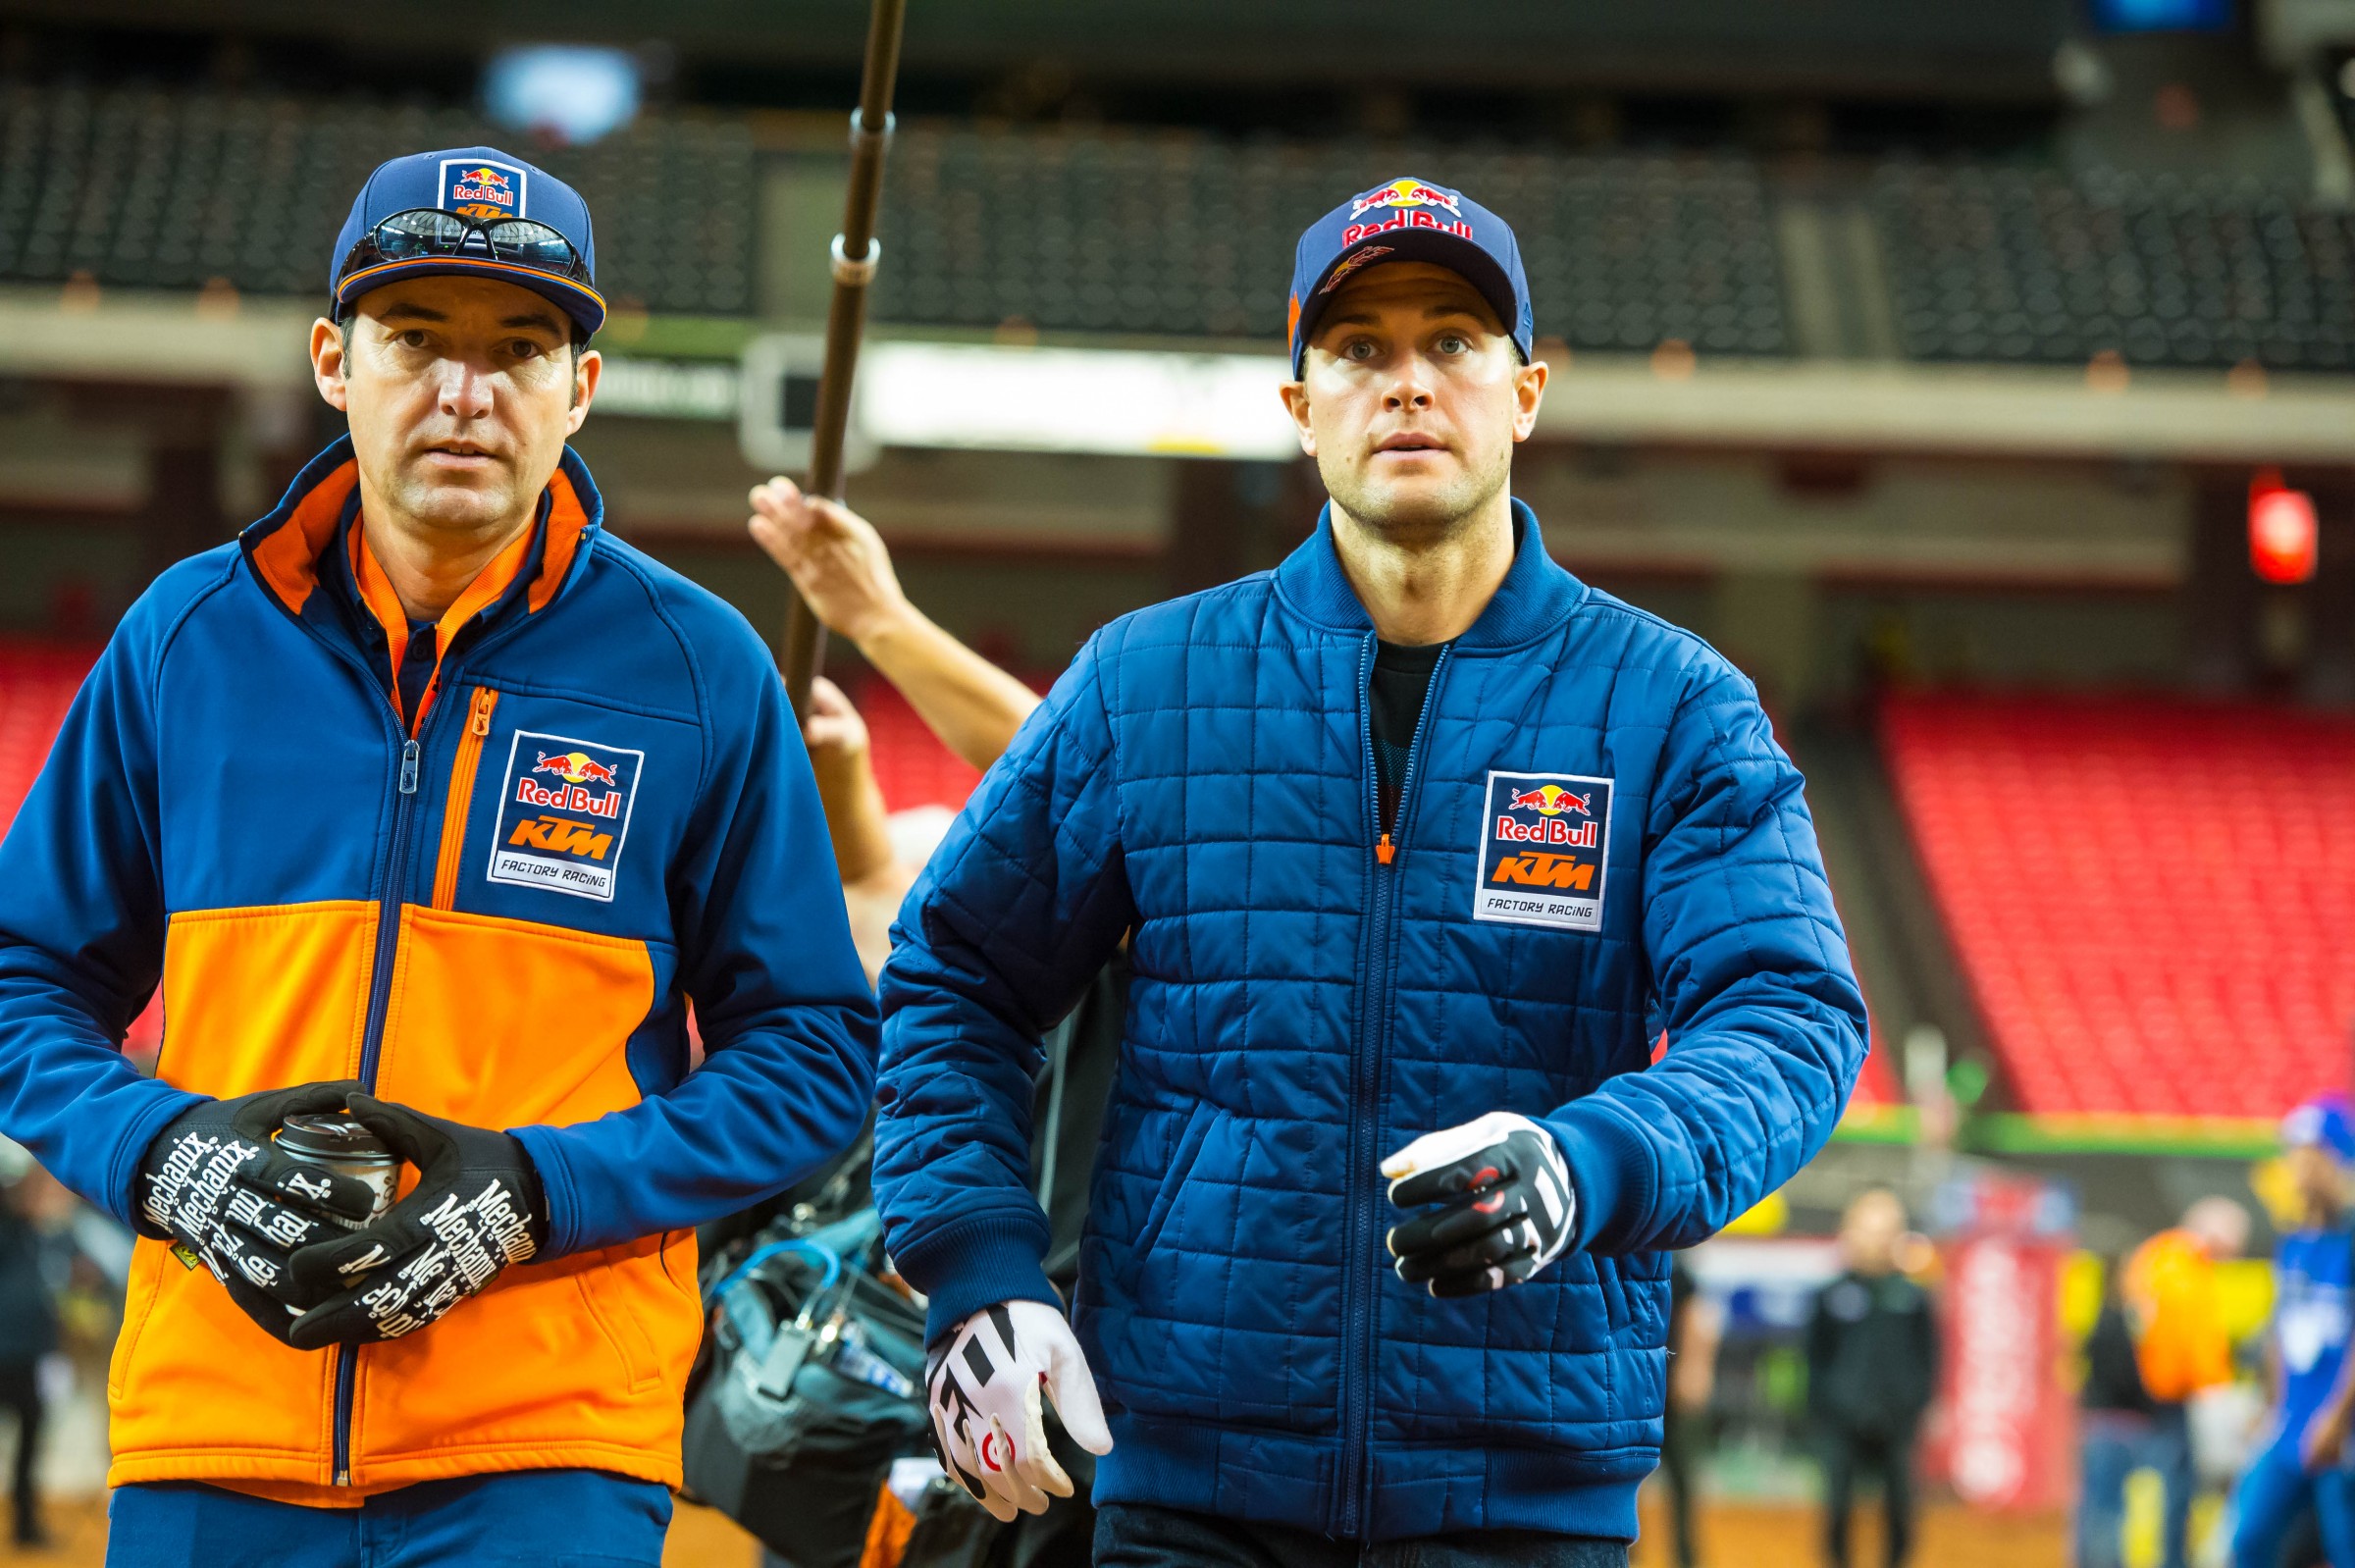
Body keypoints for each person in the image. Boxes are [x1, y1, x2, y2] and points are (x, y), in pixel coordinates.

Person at [870, 175, 1868, 1565]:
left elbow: (1790, 1017)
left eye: (1452, 342)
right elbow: (955, 976)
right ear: (1301, 408)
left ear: (1524, 392)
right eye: (1358, 350)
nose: (1409, 383)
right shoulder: (1146, 684)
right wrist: (974, 1266)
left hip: (1519, 1497)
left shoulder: (1672, 706)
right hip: (1186, 1490)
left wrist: (1587, 1163)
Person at [0, 146, 876, 1565]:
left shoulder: (701, 667)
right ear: (335, 362)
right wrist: (162, 1155)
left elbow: (818, 1049)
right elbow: (19, 972)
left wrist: (538, 1192)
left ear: (578, 390)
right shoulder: (183, 637)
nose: (466, 393)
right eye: (416, 339)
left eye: (520, 347)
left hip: (547, 1444)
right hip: (213, 1431)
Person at [2231, 1095, 2355, 1568]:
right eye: (2295, 1157)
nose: (2299, 1170)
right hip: (2290, 1427)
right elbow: (2280, 1336)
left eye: (2312, 1157)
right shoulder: (2293, 1243)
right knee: (2249, 1539)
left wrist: (2337, 1419)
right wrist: (2270, 1408)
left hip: (2338, 1433)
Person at [1806, 1189, 1937, 1568]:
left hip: (1898, 1420)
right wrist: (1825, 1405)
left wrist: (1916, 1403)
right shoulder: (1831, 1295)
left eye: (1887, 1229)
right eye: (1869, 1228)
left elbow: (1928, 1357)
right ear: (1849, 1231)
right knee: (1836, 1506)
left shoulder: (1913, 1297)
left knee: (1901, 1508)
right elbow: (1815, 1356)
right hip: (1841, 1419)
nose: (1878, 1239)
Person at [2125, 1192, 2252, 1568]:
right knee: (2176, 1485)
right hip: (2173, 1395)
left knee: (2175, 1485)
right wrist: (2215, 1387)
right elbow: (2187, 1341)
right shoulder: (2179, 1265)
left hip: (2168, 1393)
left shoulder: (2168, 1259)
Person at [2078, 1254, 2164, 1568]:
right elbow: (2126, 1377)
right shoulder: (2120, 1323)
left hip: (2098, 1423)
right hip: (2118, 1424)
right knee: (2110, 1511)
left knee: (2095, 1508)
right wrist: (2151, 1402)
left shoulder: (2102, 1318)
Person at [0, 1172, 59, 1548]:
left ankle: (25, 1525)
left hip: (26, 1356)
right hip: (7, 1352)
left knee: (31, 1436)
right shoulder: (9, 1230)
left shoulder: (31, 1235)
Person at [1658, 1256, 1723, 1568]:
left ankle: (1686, 1559)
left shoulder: (1675, 1266)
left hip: (1673, 1395)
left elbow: (1700, 1316)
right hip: (1632, 1393)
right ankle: (1626, 1555)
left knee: (1683, 1481)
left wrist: (1696, 1367)